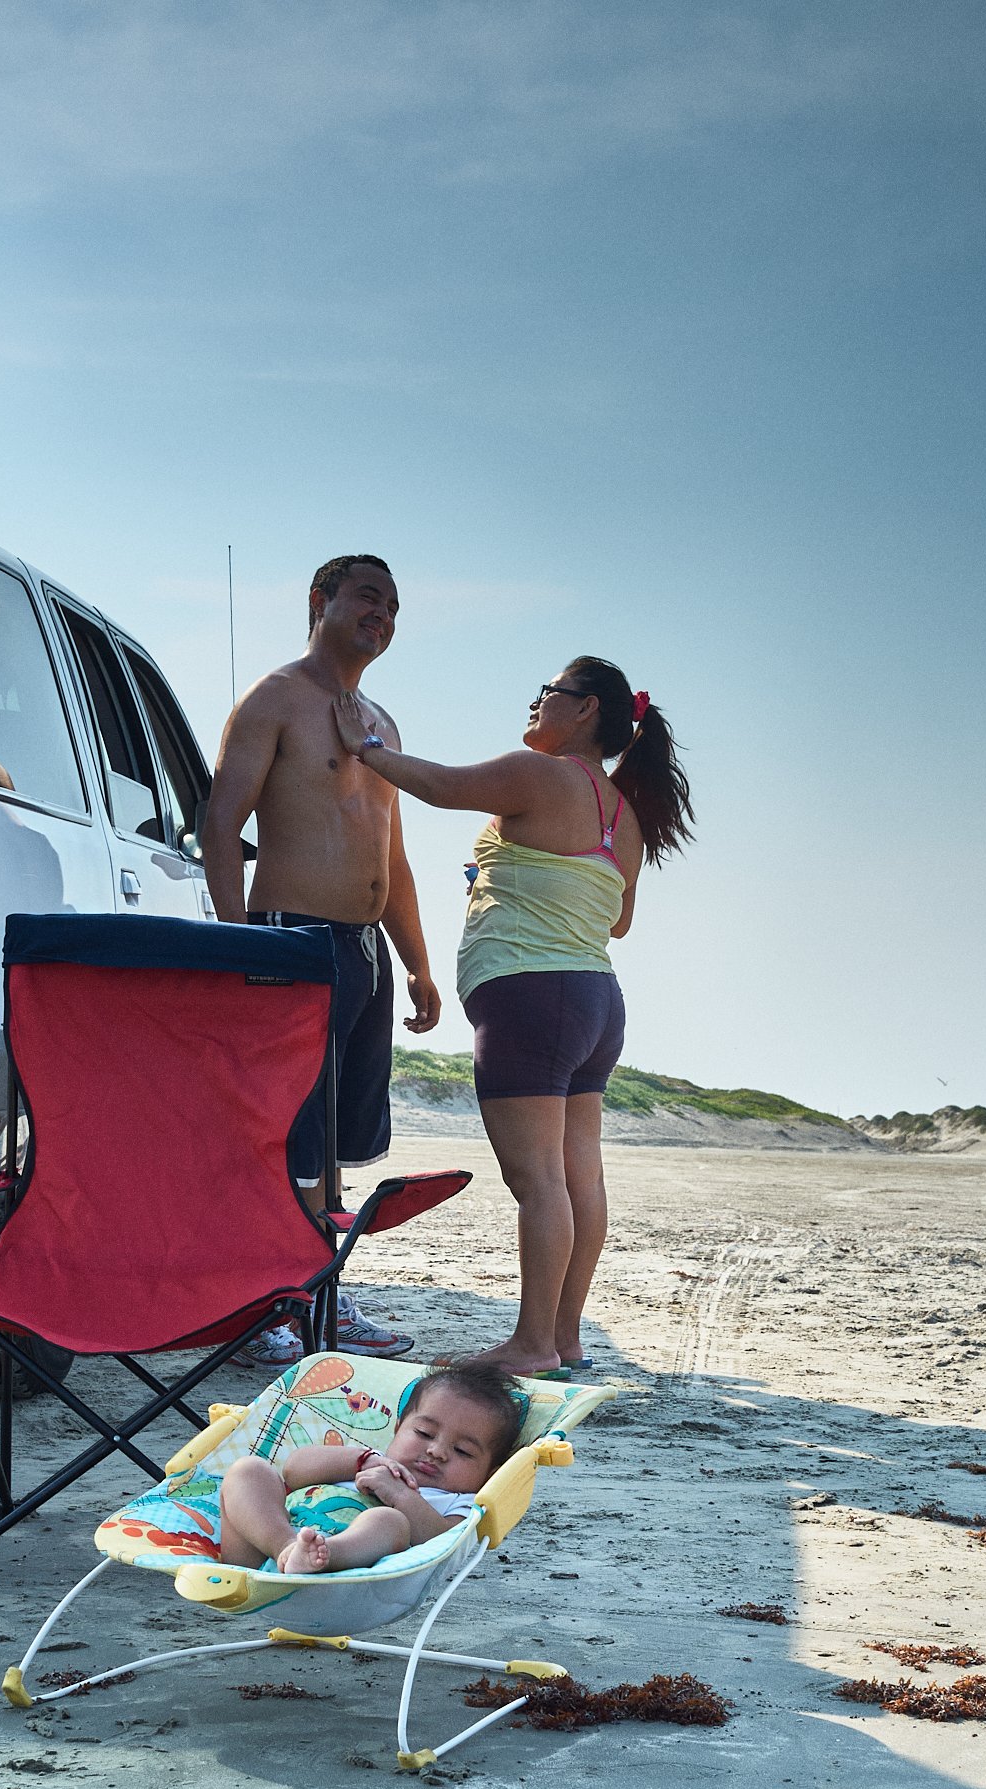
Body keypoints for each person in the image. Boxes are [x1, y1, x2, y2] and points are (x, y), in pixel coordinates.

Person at [333, 656, 693, 1378]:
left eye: (548, 694)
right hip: (595, 1001)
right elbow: (616, 921)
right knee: (576, 1178)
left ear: (586, 709)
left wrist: (367, 750)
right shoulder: (622, 813)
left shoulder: (541, 775)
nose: (534, 705)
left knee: (537, 1181)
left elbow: (442, 788)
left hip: (531, 997)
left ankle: (530, 1344)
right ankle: (563, 1340)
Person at [202, 555, 441, 1361]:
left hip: (363, 950)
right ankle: (264, 1304)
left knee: (334, 1144)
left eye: (394, 604)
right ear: (320, 601)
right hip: (290, 937)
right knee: (283, 1137)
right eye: (368, 596)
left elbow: (394, 857)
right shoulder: (275, 698)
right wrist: (239, 947)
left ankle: (321, 1292)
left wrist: (416, 963)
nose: (384, 613)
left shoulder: (382, 724)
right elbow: (220, 824)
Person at [217, 1361, 522, 1573]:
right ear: (398, 1428)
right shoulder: (369, 1460)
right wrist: (361, 1460)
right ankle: (287, 1549)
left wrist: (400, 1496)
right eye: (424, 1434)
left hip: (345, 1577)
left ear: (490, 1473)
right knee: (249, 1470)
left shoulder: (461, 1502)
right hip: (261, 1553)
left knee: (389, 1520)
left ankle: (321, 1556)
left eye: (463, 1451)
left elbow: (442, 1544)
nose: (436, 1451)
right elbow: (294, 1470)